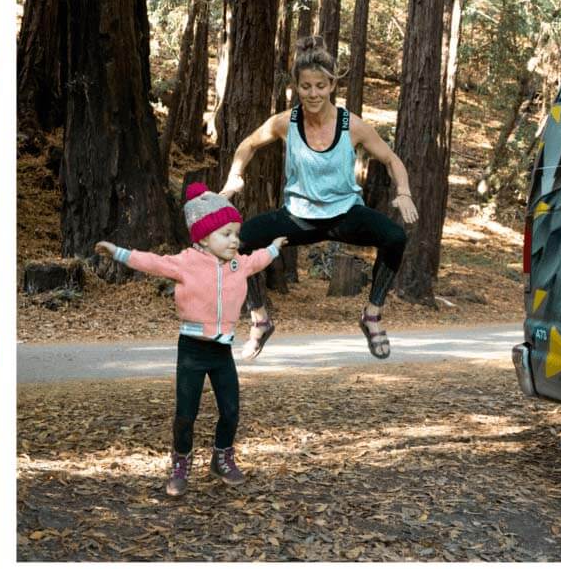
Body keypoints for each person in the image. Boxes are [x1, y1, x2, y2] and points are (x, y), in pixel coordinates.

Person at [219, 35, 419, 360]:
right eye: (306, 86)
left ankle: (371, 316)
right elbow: (248, 145)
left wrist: (405, 192)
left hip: (345, 215)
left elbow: (391, 159)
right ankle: (260, 320)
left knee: (394, 237)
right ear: (297, 86)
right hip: (298, 216)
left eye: (320, 86)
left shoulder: (351, 125)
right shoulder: (286, 122)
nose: (313, 93)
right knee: (235, 245)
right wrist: (234, 177)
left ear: (331, 85)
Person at [96, 183, 286, 497]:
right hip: (192, 351)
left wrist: (276, 246)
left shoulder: (238, 263)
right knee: (186, 413)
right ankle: (181, 463)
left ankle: (222, 458)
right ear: (203, 237)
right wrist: (118, 252)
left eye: (236, 234)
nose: (234, 240)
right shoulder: (186, 262)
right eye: (226, 234)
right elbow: (153, 263)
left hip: (221, 351)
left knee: (231, 410)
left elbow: (259, 259)